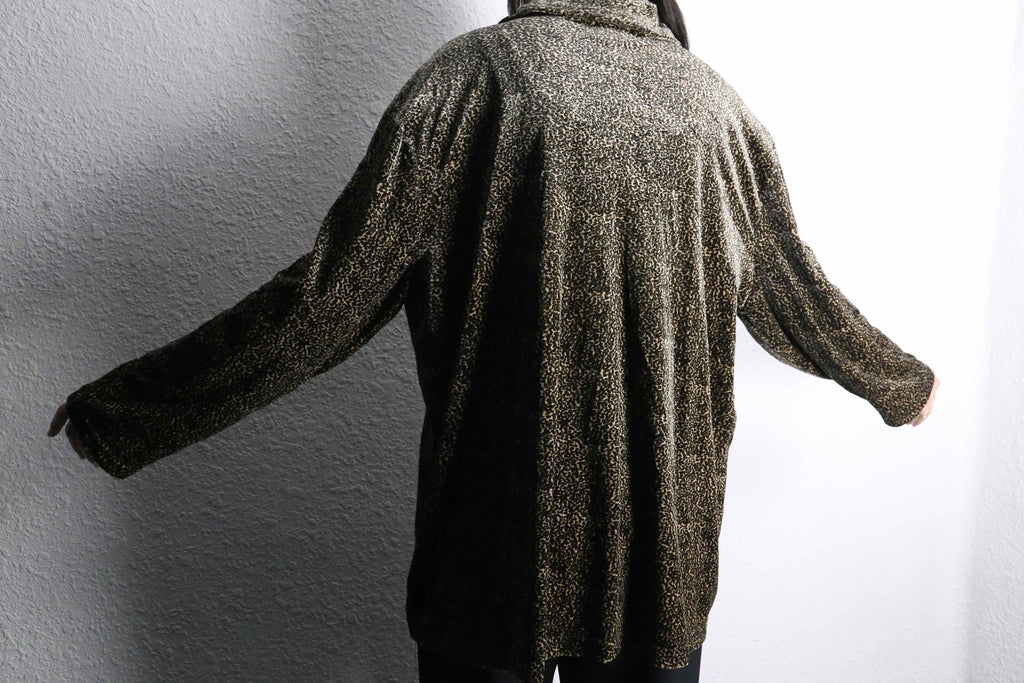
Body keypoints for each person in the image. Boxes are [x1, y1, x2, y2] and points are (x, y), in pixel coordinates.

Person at [47, 0, 940, 681]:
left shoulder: (473, 84)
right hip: (660, 561)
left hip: (492, 552)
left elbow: (322, 304)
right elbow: (802, 299)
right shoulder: (720, 117)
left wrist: (131, 410)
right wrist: (901, 383)